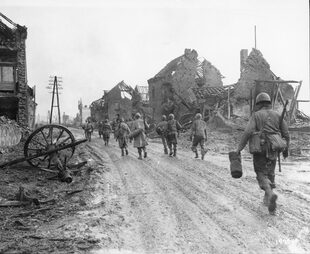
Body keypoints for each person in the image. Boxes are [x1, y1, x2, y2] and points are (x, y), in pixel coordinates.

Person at [236, 92, 290, 215]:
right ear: (269, 103)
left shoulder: (256, 115)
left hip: (260, 147)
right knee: (270, 173)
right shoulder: (277, 115)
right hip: (274, 147)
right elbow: (286, 134)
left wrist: (239, 148)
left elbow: (248, 132)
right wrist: (286, 149)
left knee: (261, 173)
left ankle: (270, 195)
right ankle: (268, 202)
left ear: (259, 104)